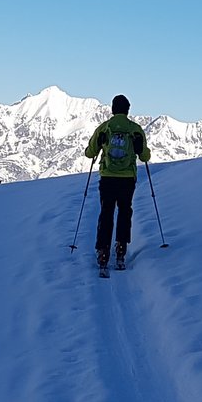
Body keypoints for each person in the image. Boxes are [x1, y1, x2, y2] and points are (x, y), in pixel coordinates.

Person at [84, 94, 150, 270]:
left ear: (112, 109)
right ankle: (121, 248)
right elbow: (145, 156)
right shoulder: (135, 129)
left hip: (108, 177)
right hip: (127, 178)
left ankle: (103, 251)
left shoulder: (104, 128)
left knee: (106, 212)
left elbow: (90, 153)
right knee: (125, 211)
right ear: (128, 110)